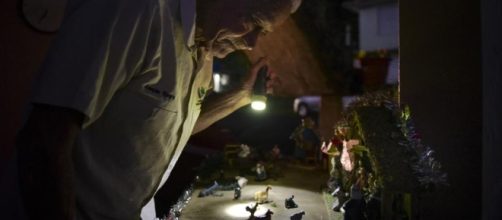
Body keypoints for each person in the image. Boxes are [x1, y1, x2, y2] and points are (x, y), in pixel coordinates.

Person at [14, 0, 302, 219]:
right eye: (254, 21)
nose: (253, 43)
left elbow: (174, 124)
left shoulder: (204, 44)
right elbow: (44, 138)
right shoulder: (137, 11)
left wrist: (239, 97)